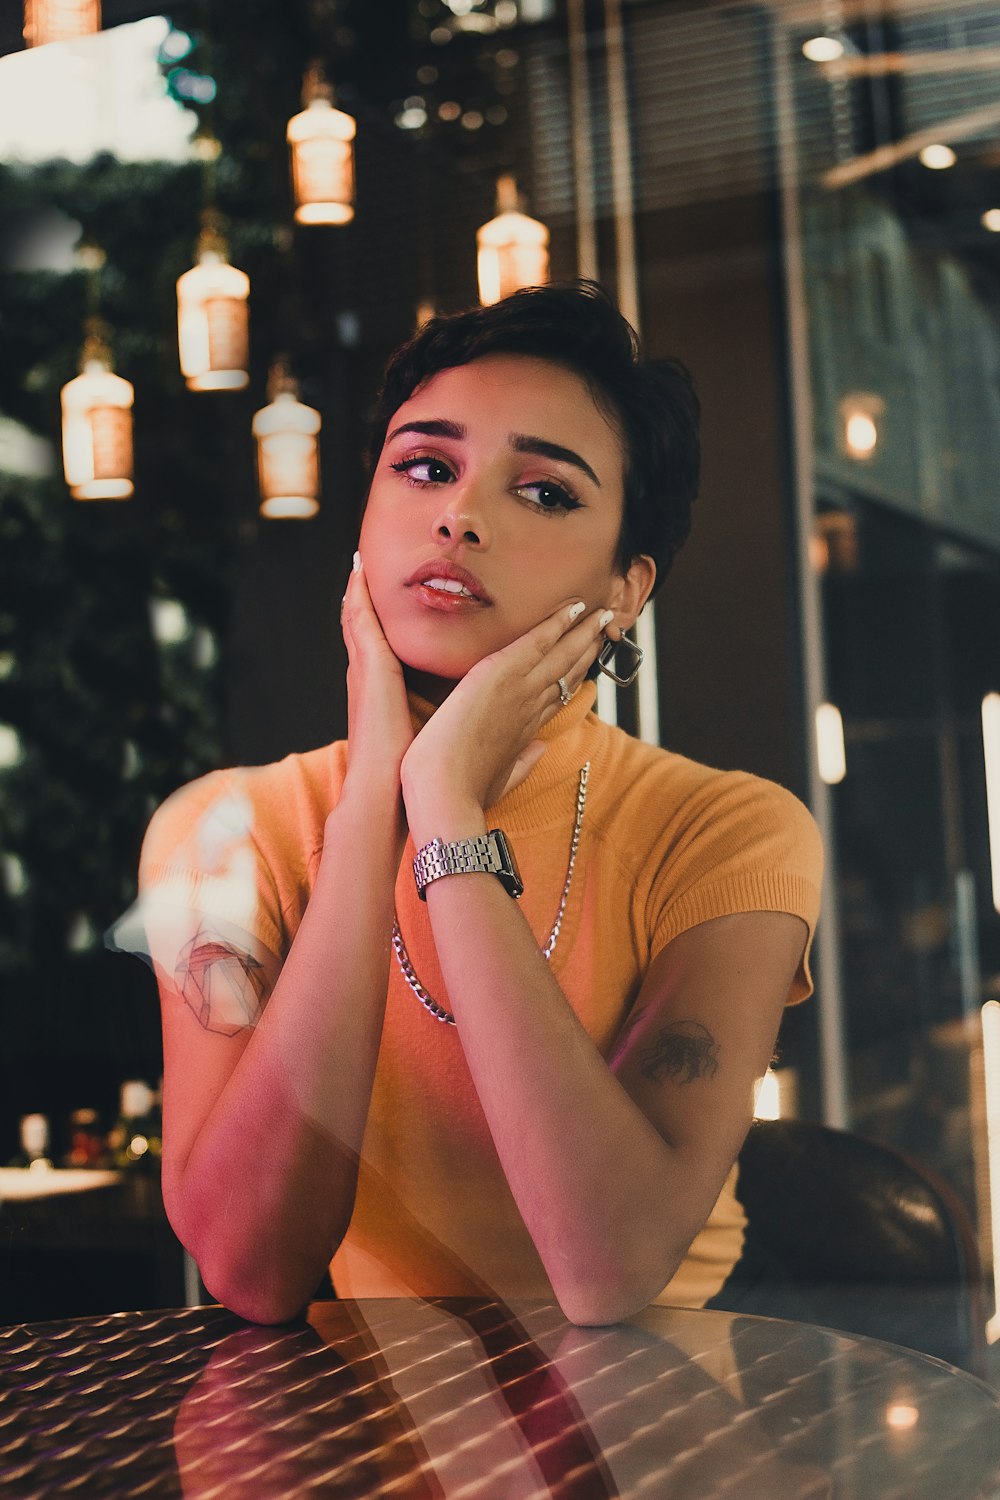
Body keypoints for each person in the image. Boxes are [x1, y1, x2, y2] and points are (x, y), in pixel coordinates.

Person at [116, 280, 822, 1326]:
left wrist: (446, 807)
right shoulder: (222, 832)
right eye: (424, 466)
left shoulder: (726, 831)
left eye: (544, 492)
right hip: (362, 1436)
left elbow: (606, 1267)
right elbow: (253, 1269)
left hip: (662, 1428)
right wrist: (371, 810)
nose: (459, 513)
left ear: (629, 586)